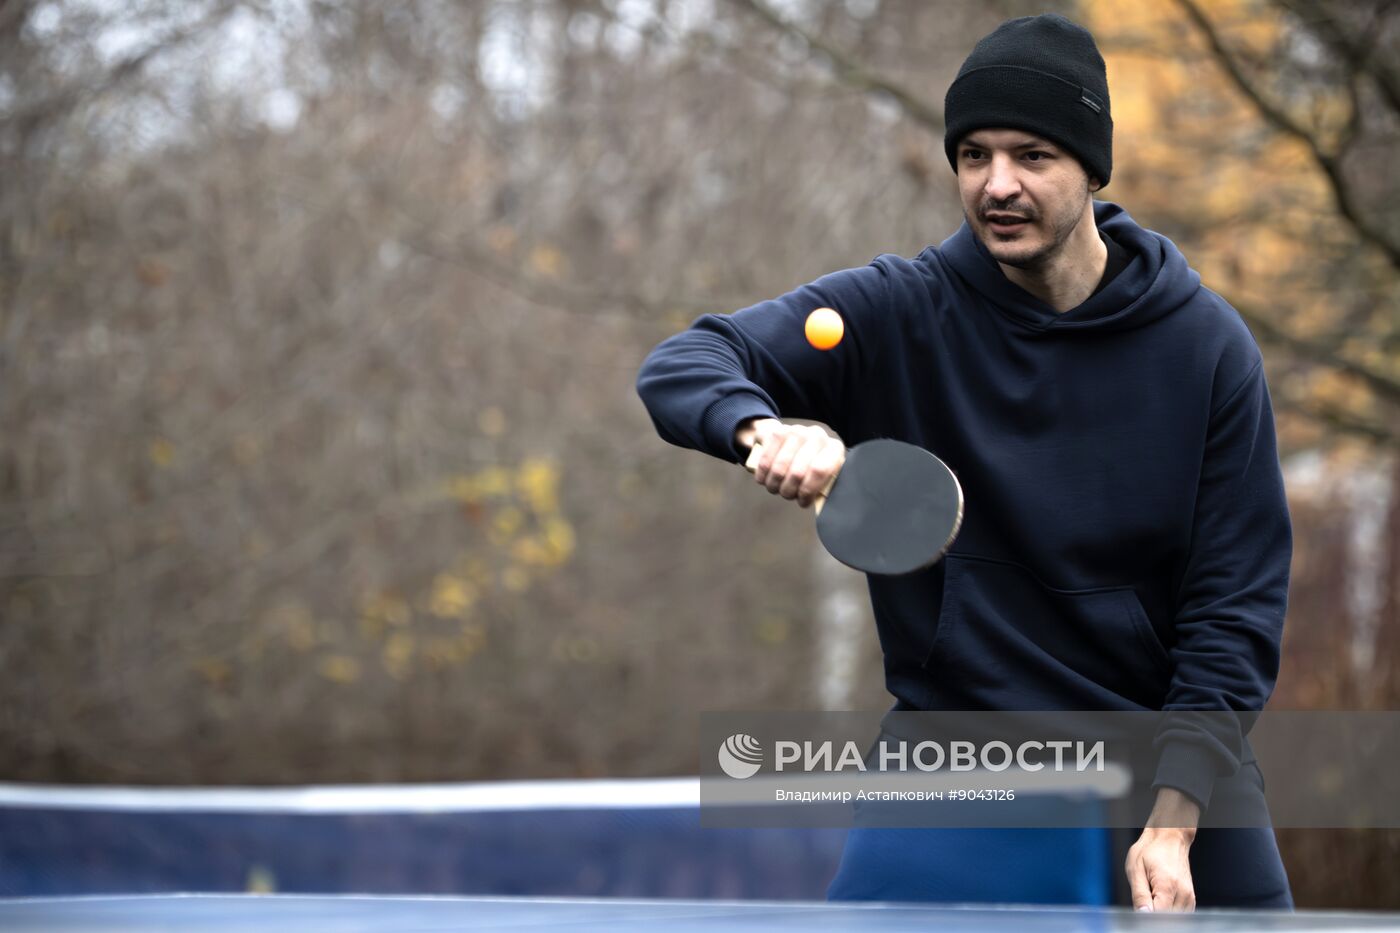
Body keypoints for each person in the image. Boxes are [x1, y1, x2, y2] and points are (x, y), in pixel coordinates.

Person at [635, 13, 1292, 912]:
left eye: (1031, 155)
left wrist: (1173, 826)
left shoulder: (1207, 348)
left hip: (1166, 760)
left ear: (1093, 168)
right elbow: (684, 363)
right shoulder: (899, 312)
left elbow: (1234, 612)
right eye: (974, 155)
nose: (998, 185)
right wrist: (763, 431)